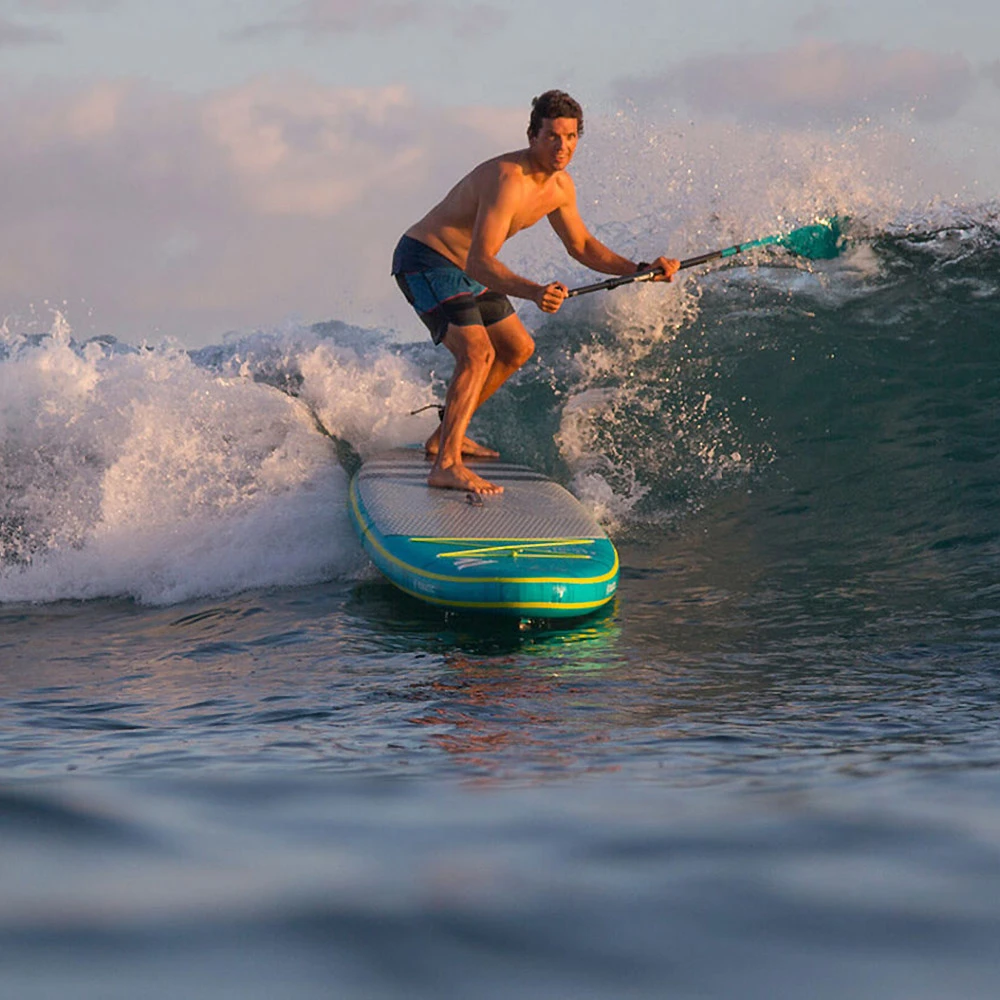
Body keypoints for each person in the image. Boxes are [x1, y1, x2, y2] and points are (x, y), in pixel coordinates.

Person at [392, 89, 680, 495]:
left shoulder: (560, 188)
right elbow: (480, 262)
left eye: (571, 137)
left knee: (516, 348)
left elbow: (582, 246)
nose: (563, 147)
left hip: (467, 268)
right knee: (477, 353)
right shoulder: (508, 179)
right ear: (532, 136)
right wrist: (534, 291)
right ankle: (447, 466)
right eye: (552, 137)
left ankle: (444, 438)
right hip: (427, 260)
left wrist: (639, 269)